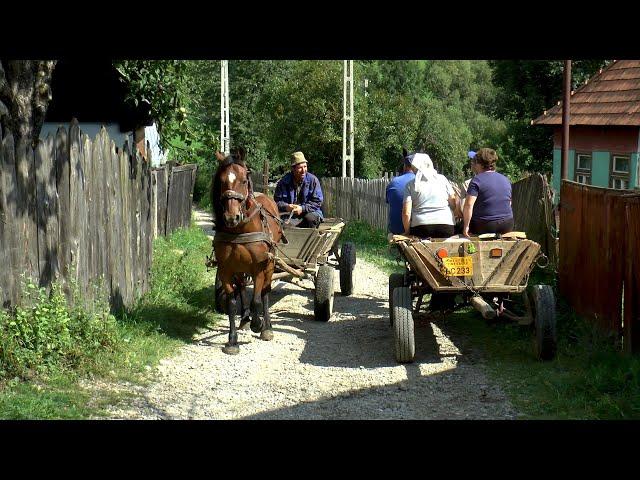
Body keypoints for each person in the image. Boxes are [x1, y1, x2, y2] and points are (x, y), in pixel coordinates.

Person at [402, 152, 458, 239]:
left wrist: (407, 231)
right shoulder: (442, 179)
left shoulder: (410, 185)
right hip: (446, 226)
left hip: (421, 228)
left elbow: (406, 213)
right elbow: (453, 204)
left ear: (415, 167)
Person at [462, 147, 514, 237]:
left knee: (459, 227)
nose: (474, 164)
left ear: (481, 165)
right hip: (507, 224)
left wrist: (466, 226)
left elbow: (468, 205)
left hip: (485, 225)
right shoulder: (506, 179)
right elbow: (509, 203)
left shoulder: (476, 180)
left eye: (476, 162)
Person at [274, 151, 324, 228]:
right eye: (300, 168)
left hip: (311, 213)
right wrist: (287, 206)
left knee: (310, 219)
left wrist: (302, 208)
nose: (303, 170)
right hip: (290, 215)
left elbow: (317, 202)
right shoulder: (283, 182)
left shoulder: (313, 180)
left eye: (305, 166)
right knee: (284, 225)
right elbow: (277, 202)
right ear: (293, 169)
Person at [385, 152, 415, 239]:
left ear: (404, 166)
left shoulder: (393, 183)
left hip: (396, 230)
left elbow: (390, 202)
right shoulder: (421, 183)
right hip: (418, 229)